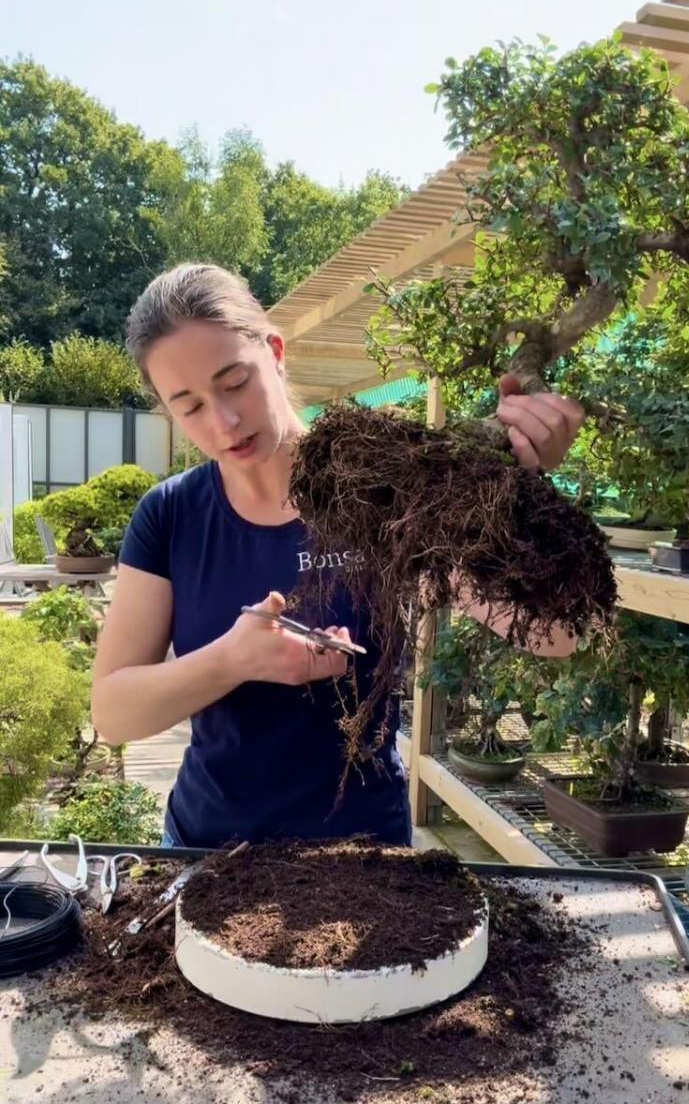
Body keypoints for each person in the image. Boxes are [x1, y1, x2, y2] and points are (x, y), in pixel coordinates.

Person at [92, 264, 584, 849]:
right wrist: (232, 659)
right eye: (190, 406)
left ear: (275, 352)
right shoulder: (171, 516)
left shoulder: (384, 493)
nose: (223, 421)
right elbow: (113, 714)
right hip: (208, 852)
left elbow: (555, 634)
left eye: (234, 383)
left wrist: (525, 488)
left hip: (364, 860)